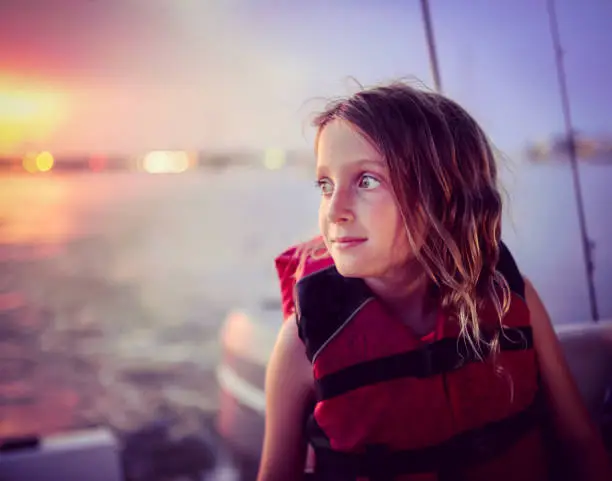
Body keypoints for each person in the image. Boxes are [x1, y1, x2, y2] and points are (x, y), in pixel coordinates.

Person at [257, 82, 611, 481]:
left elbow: (581, 446)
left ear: (446, 196)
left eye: (366, 181)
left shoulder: (511, 297)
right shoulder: (302, 345)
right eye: (326, 185)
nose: (334, 210)